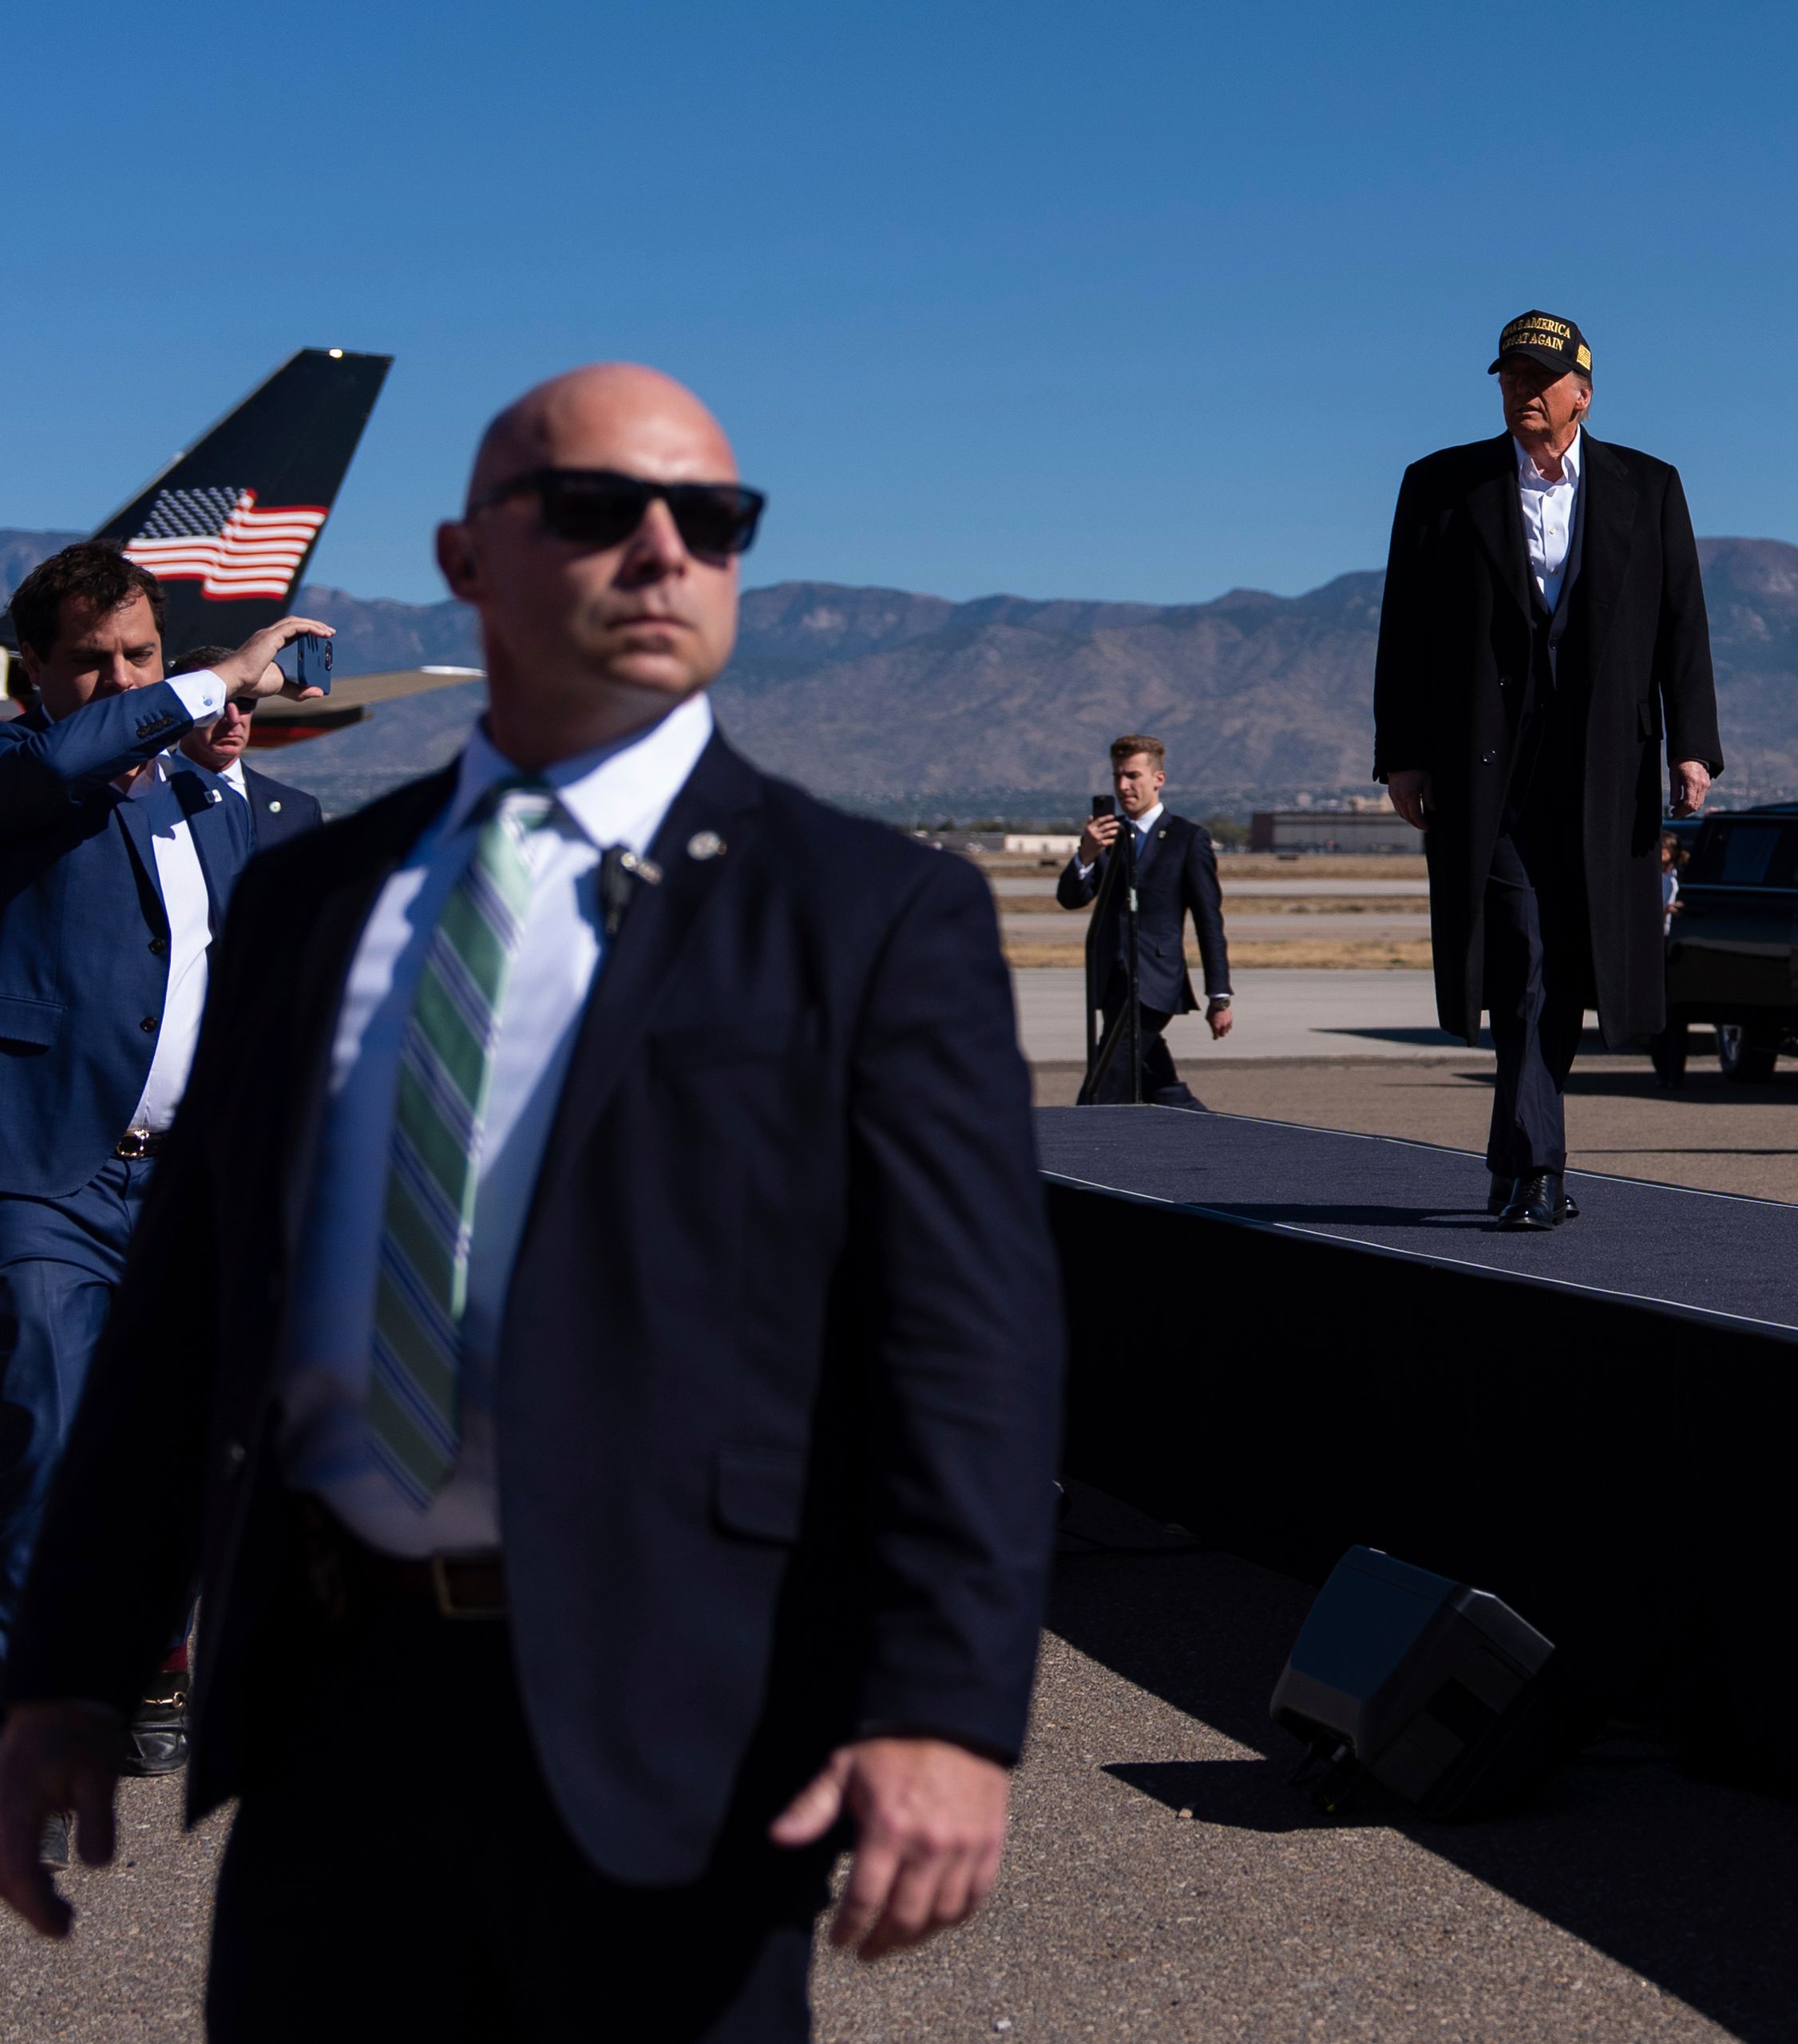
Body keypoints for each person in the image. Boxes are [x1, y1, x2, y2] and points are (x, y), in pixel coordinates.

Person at [0, 365, 1064, 2041]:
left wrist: (949, 1702)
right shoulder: (311, 901)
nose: (661, 551)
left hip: (678, 1728)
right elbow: (187, 1314)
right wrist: (69, 1659)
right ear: (465, 555)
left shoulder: (868, 913)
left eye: (709, 521)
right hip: (336, 1724)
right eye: (595, 510)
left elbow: (968, 1346)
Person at [0, 551, 329, 1680]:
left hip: (194, 1177)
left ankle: (148, 1659)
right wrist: (211, 678)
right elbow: (67, 766)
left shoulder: (204, 799)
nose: (124, 681)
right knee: (43, 1436)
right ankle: (27, 1712)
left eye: (142, 656)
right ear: (29, 671)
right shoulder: (20, 767)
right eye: (91, 664)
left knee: (192, 1436)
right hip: (49, 1170)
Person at [1373, 309, 1721, 1230]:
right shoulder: (1441, 487)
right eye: (1509, 375)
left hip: (1605, 768)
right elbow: (1403, 631)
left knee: (1564, 965)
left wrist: (1693, 743)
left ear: (1583, 392)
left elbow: (1683, 622)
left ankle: (1512, 1152)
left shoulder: (1647, 489)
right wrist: (1401, 755)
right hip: (1487, 771)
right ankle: (1543, 1171)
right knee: (1523, 952)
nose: (1522, 390)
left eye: (1540, 376)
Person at [1059, 733, 1230, 1107]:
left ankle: (1079, 1147)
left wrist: (1219, 995)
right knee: (1156, 1078)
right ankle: (1204, 1131)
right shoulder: (1107, 836)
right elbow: (1071, 899)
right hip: (1111, 979)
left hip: (1155, 981)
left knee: (1106, 1078)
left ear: (1158, 779)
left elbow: (1208, 921)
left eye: (1133, 775)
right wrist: (1085, 856)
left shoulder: (1188, 839)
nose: (1123, 786)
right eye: (1117, 776)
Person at [174, 643, 326, 850]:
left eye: (245, 703)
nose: (234, 718)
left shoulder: (299, 810)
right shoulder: (142, 797)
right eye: (216, 704)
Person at [1648, 832, 1690, 1088]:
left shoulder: (1681, 878)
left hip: (1679, 944)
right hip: (1657, 943)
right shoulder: (1650, 877)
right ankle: (1664, 1068)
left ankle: (1676, 1071)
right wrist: (1663, 911)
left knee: (1677, 1013)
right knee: (1660, 1011)